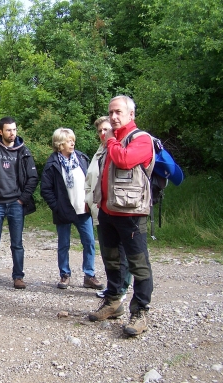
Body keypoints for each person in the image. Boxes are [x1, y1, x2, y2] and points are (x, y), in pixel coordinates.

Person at [88, 95, 154, 336]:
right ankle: (113, 302)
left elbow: (125, 160)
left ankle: (140, 310)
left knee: (138, 264)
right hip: (107, 211)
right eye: (111, 112)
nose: (114, 117)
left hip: (131, 213)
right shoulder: (111, 140)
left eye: (118, 112)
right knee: (112, 260)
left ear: (131, 115)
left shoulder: (141, 139)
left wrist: (111, 141)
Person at [0, 116, 38, 289]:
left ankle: (18, 277)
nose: (12, 133)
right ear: (0, 132)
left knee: (17, 243)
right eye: (8, 130)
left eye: (14, 130)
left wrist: (22, 199)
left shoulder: (24, 151)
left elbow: (33, 178)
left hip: (16, 204)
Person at [40, 128, 103, 291]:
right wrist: (57, 207)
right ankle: (65, 274)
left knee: (89, 242)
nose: (72, 143)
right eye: (69, 141)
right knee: (64, 244)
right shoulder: (52, 163)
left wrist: (92, 201)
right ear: (60, 144)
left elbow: (91, 181)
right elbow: (46, 189)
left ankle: (89, 275)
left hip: (84, 209)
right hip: (64, 211)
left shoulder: (82, 158)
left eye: (73, 140)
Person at [84, 117, 131, 301]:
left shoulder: (118, 148)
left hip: (118, 210)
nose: (103, 134)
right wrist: (88, 201)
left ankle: (122, 288)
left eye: (106, 129)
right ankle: (113, 287)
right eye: (100, 131)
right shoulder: (99, 152)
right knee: (108, 252)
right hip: (99, 211)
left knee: (122, 253)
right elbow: (89, 180)